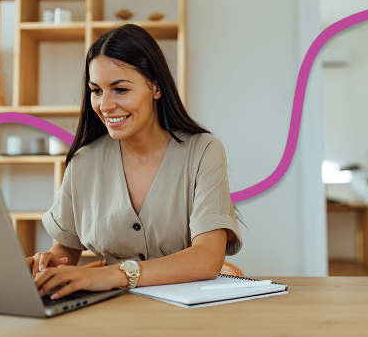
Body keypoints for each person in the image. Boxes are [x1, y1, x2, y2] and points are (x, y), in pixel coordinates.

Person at [27, 24, 243, 300]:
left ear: (155, 87)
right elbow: (66, 249)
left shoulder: (203, 152)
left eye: (119, 89)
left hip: (186, 312)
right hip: (111, 308)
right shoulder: (83, 162)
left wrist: (114, 275)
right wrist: (48, 264)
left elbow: (207, 257)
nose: (104, 105)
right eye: (96, 90)